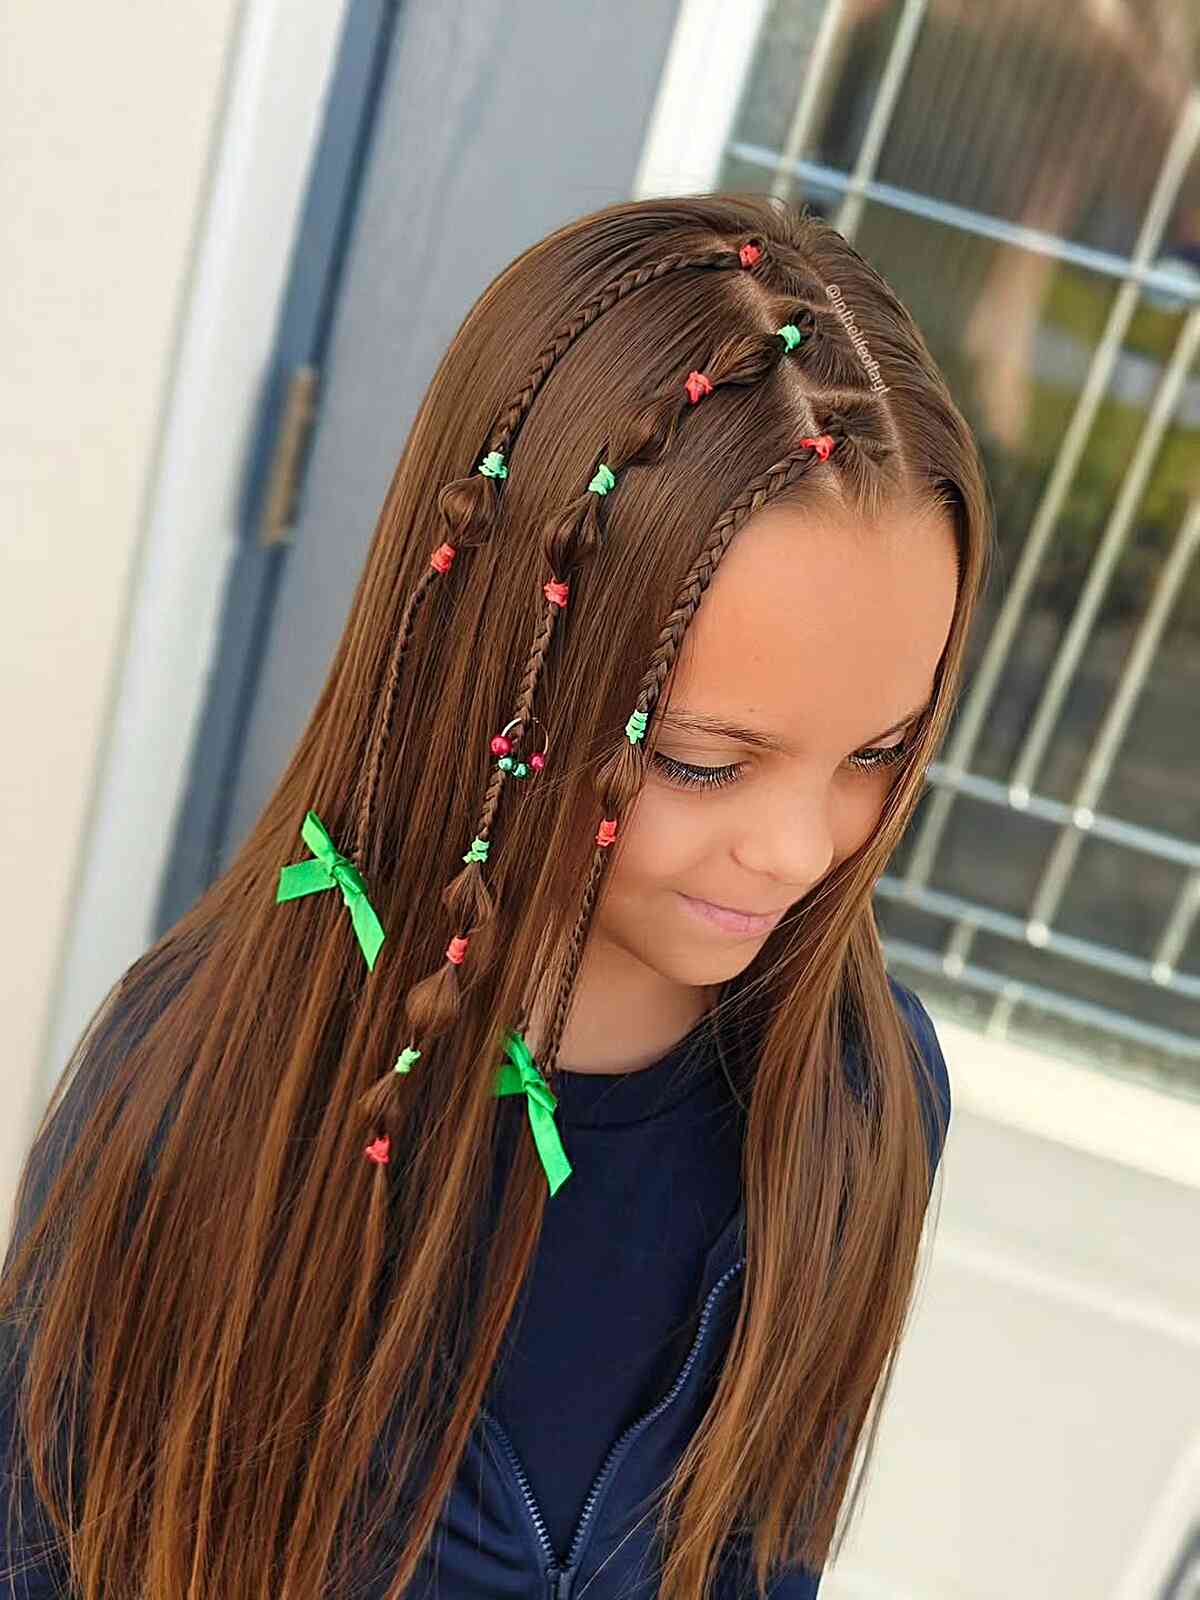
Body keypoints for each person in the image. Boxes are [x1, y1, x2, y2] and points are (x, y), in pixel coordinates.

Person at [0, 192, 990, 1600]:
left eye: (878, 753)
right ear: (497, 680)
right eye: (707, 763)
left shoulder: (861, 1099)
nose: (795, 851)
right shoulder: (194, 1093)